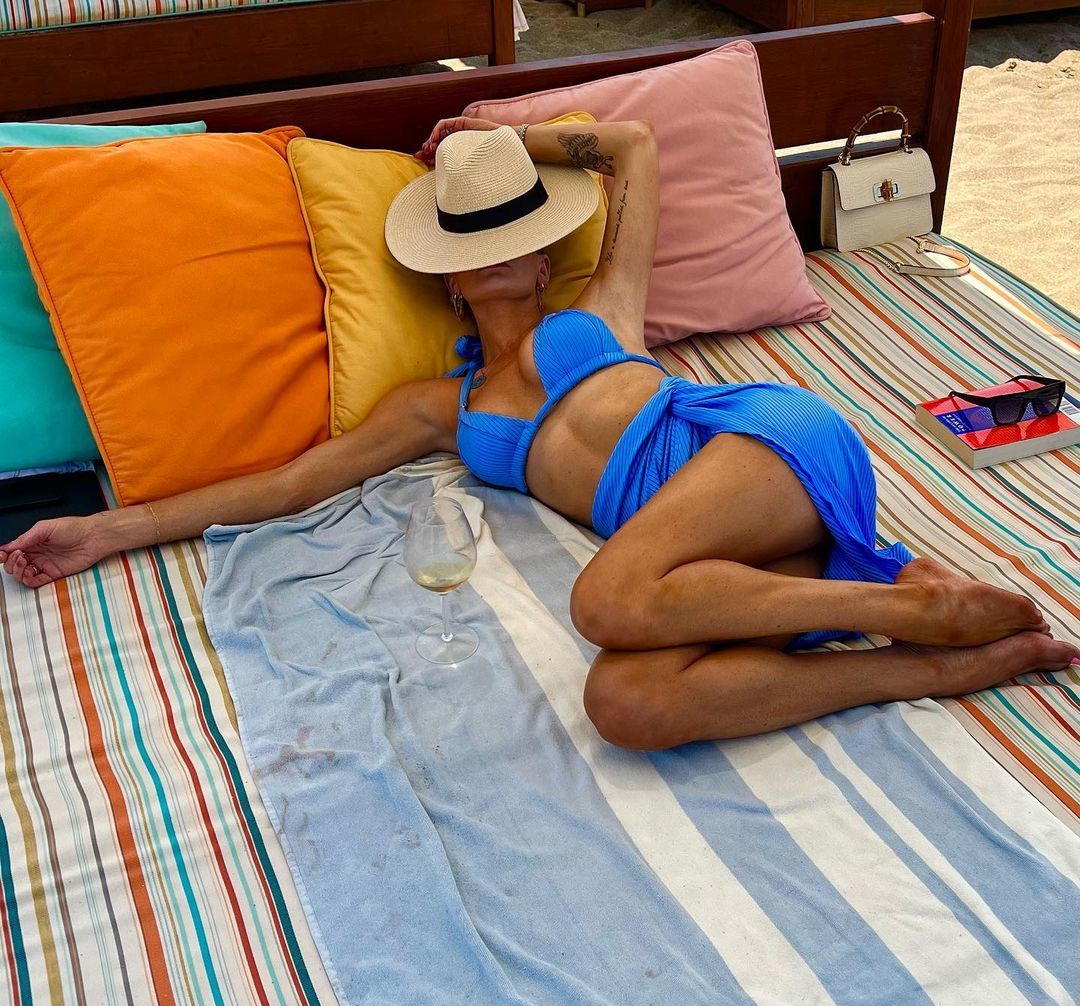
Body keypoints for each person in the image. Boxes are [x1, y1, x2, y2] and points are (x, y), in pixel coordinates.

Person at [1, 119, 1075, 749]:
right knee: (624, 702)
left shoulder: (601, 310)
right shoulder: (438, 405)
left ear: (549, 242)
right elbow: (291, 486)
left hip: (757, 447)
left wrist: (497, 145)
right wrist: (107, 531)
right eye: (473, 234)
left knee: (603, 602)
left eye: (520, 224)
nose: (501, 247)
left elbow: (633, 147)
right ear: (449, 273)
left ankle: (910, 607)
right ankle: (923, 667)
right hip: (699, 560)